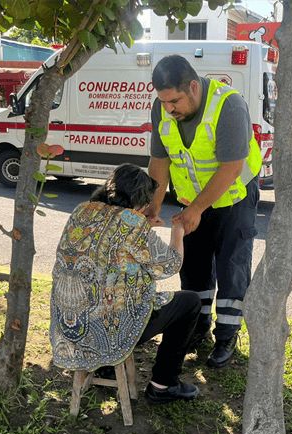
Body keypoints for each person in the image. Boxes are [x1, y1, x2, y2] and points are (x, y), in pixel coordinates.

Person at [49, 164, 202, 405]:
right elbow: (171, 265)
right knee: (190, 302)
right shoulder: (132, 222)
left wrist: (142, 227)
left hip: (70, 327)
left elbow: (108, 244)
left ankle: (105, 367)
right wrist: (178, 231)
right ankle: (164, 384)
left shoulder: (82, 211)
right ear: (139, 203)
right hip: (108, 331)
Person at [146, 55, 261, 369]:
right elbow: (159, 162)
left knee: (232, 267)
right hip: (192, 202)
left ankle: (227, 335)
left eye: (175, 101)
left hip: (233, 200)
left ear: (193, 87)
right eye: (163, 101)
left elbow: (231, 168)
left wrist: (196, 208)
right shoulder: (162, 108)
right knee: (193, 268)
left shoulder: (229, 105)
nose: (169, 109)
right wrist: (152, 205)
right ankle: (198, 327)